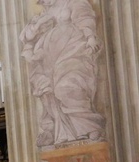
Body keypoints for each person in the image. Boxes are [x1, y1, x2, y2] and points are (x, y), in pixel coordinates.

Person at [20, 0, 105, 147]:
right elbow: (27, 38)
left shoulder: (72, 3)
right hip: (48, 60)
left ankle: (90, 126)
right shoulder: (42, 15)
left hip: (73, 52)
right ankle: (61, 132)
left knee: (67, 87)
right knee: (49, 93)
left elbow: (84, 17)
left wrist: (90, 37)